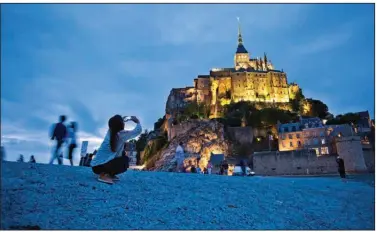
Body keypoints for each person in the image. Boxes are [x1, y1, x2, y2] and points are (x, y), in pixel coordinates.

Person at [91, 115, 142, 184]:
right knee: (124, 161)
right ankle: (104, 175)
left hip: (95, 166)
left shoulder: (110, 132)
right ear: (121, 124)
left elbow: (115, 123)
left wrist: (121, 120)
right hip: (100, 166)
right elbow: (137, 131)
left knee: (123, 154)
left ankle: (108, 173)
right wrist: (137, 121)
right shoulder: (121, 134)